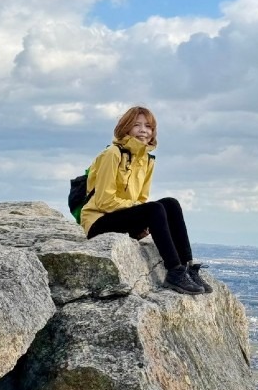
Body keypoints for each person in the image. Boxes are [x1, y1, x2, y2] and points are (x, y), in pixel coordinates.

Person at [79, 105, 212, 295]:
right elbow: (104, 201)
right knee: (154, 209)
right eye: (137, 125)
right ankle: (174, 271)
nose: (143, 130)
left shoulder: (147, 160)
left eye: (148, 126)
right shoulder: (112, 154)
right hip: (98, 222)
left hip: (121, 218)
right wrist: (143, 214)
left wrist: (142, 219)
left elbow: (141, 198)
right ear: (125, 128)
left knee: (170, 204)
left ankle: (187, 267)